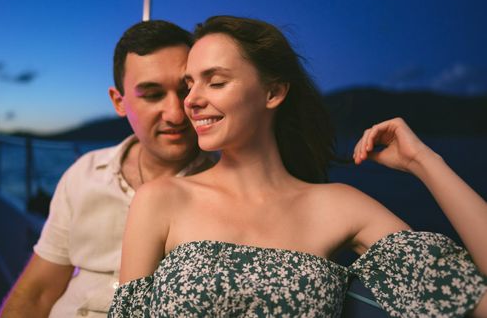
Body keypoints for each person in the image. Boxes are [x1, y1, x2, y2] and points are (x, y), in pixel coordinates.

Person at [109, 16, 487, 317]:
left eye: (216, 82)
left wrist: (426, 162)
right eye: (191, 84)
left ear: (273, 92)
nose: (191, 101)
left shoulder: (340, 206)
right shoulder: (161, 199)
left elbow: (477, 302)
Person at [0, 20, 215, 317]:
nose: (176, 114)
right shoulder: (85, 173)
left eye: (185, 90)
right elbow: (37, 292)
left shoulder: (228, 188)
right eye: (152, 95)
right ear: (119, 102)